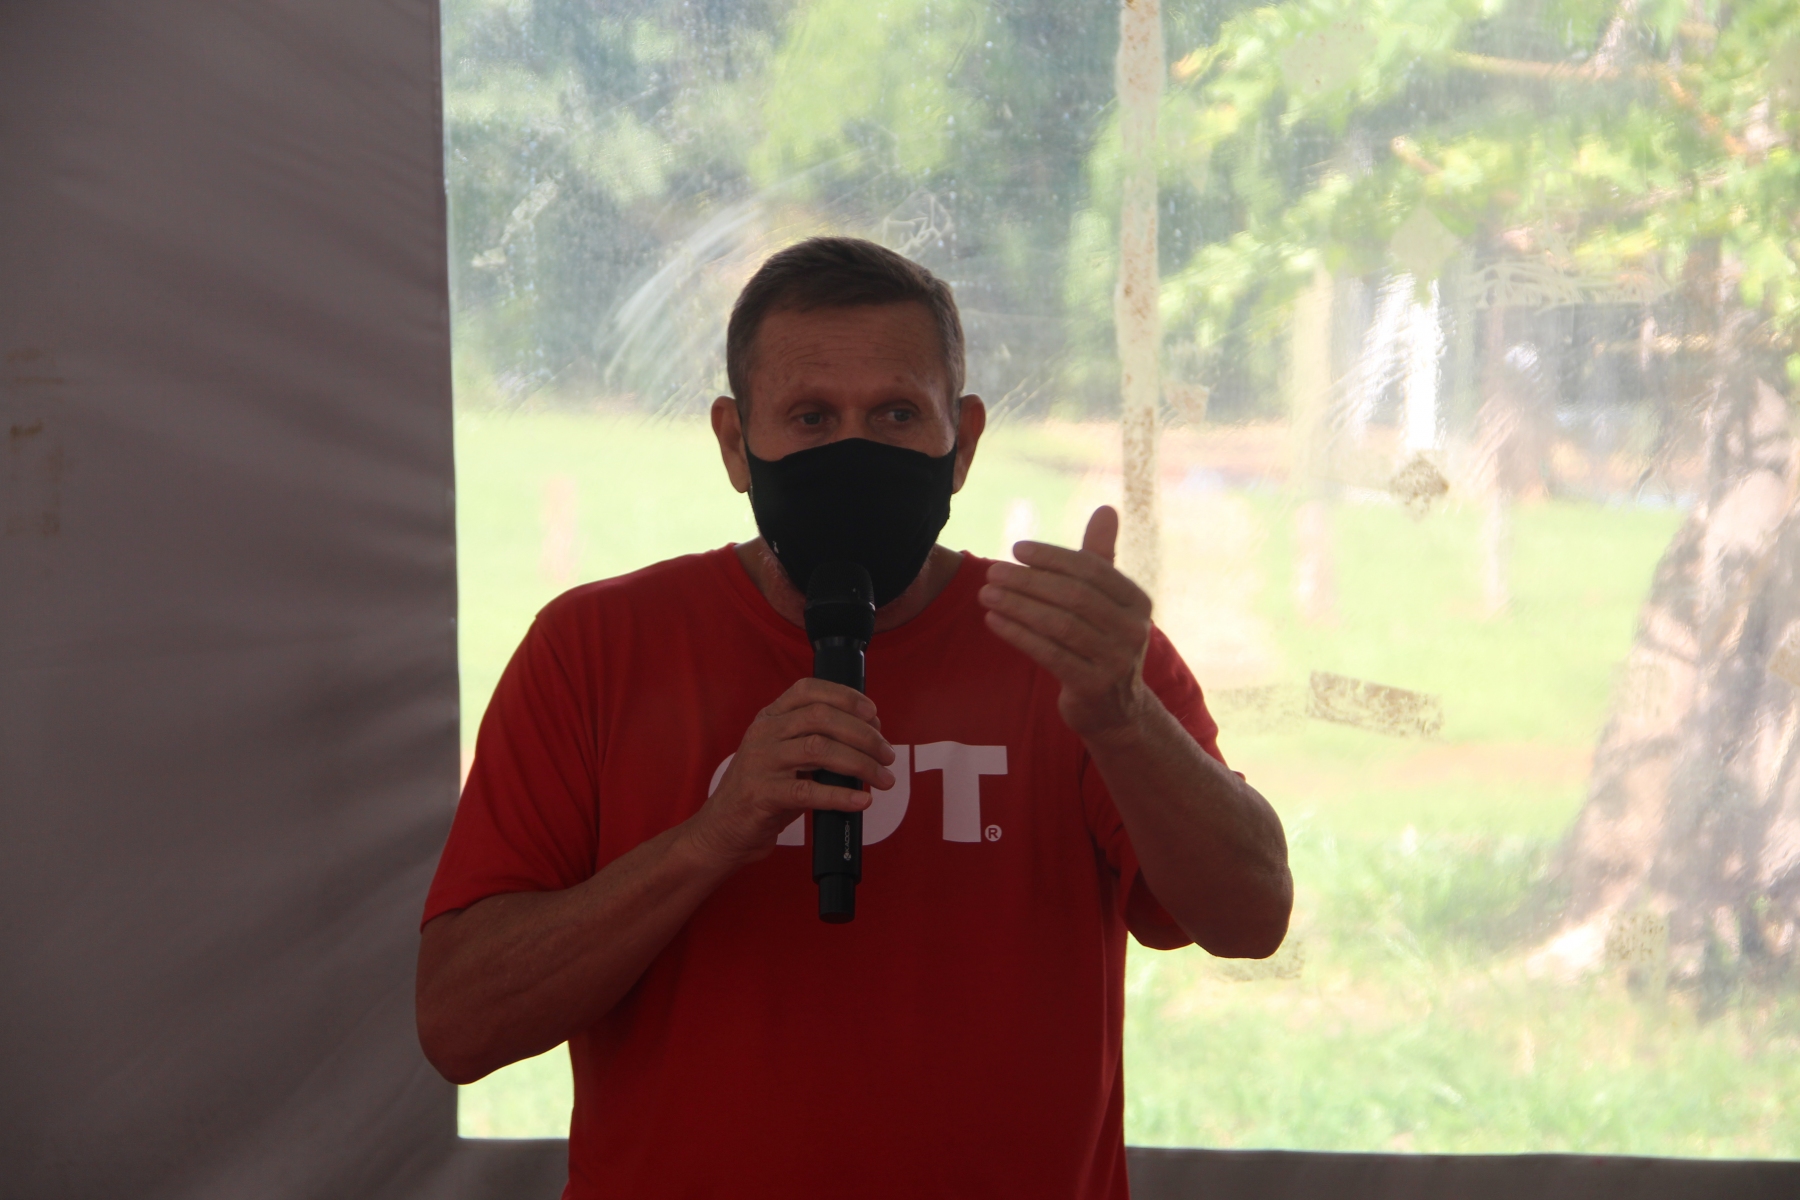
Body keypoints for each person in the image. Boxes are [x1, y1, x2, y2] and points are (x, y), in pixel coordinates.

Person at [416, 237, 1291, 1199]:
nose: (854, 452)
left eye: (896, 414)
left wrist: (1123, 720)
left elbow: (1251, 918)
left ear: (963, 441)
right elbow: (461, 1022)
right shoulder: (594, 649)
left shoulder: (1076, 651)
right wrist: (710, 838)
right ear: (734, 443)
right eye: (811, 417)